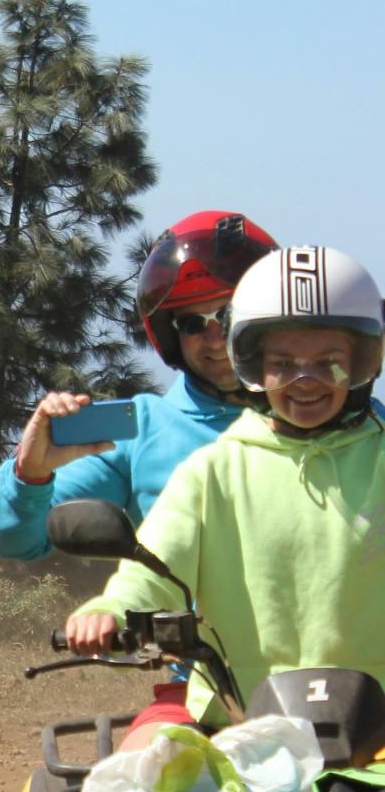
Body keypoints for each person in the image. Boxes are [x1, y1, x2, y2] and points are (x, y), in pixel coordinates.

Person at [64, 245, 385, 752]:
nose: (305, 380)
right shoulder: (214, 472)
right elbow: (154, 569)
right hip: (232, 721)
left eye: (330, 364)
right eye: (283, 363)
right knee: (135, 775)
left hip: (378, 731)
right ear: (253, 365)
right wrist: (112, 606)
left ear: (365, 362)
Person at [0, 210, 277, 735]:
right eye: (192, 323)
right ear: (170, 335)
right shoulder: (142, 432)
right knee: (142, 790)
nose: (214, 338)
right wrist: (30, 475)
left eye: (230, 315)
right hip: (204, 692)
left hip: (354, 681)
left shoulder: (353, 428)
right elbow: (15, 539)